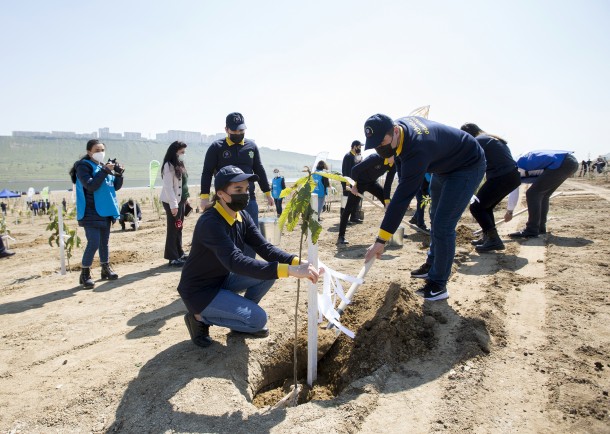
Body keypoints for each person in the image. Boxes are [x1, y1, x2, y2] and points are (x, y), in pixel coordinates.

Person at [178, 165, 322, 348]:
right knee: (259, 319)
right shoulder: (210, 223)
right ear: (221, 194)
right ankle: (199, 317)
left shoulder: (242, 216)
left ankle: (239, 318)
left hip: (221, 280)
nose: (245, 194)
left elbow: (264, 247)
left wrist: (297, 262)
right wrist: (292, 271)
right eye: (238, 189)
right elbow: (235, 261)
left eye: (246, 189)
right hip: (200, 291)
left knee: (269, 274)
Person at [363, 114, 485, 301]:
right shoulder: (399, 132)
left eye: (382, 143)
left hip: (467, 165)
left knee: (444, 225)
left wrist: (381, 240)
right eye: (375, 145)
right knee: (435, 215)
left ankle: (438, 284)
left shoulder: (418, 147)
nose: (380, 148)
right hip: (444, 165)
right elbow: (403, 171)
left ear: (395, 131)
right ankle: (432, 264)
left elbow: (404, 195)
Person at [200, 112, 274, 258]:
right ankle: (226, 268)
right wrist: (204, 197)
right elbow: (207, 172)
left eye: (241, 130)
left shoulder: (251, 147)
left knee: (250, 236)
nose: (238, 133)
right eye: (234, 130)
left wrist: (267, 193)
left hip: (248, 199)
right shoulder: (217, 147)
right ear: (226, 129)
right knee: (226, 235)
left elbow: (259, 169)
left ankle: (248, 268)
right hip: (225, 201)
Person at [69, 139, 123, 289]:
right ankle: (85, 273)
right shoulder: (83, 166)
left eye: (102, 150)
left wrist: (119, 174)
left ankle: (105, 268)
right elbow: (91, 185)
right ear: (89, 152)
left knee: (103, 243)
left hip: (106, 210)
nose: (100, 153)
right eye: (97, 150)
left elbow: (115, 187)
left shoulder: (102, 166)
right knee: (93, 242)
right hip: (90, 211)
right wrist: (105, 170)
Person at [461, 123, 521, 252]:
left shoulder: (477, 141)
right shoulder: (492, 138)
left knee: (476, 207)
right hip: (511, 177)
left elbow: (470, 163)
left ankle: (494, 240)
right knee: (485, 207)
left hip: (502, 177)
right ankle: (488, 237)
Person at [505, 150, 579, 238]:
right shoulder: (513, 163)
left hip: (562, 163)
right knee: (543, 195)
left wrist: (509, 212)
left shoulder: (512, 168)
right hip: (569, 162)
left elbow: (513, 191)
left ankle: (531, 230)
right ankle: (540, 228)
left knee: (532, 193)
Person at [337, 153, 396, 245]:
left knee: (390, 206)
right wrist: (354, 186)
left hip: (372, 183)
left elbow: (387, 185)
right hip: (359, 183)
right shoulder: (375, 158)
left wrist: (387, 201)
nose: (398, 160)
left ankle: (390, 233)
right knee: (349, 208)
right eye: (396, 157)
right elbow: (354, 170)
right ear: (390, 154)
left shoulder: (393, 166)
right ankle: (341, 236)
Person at [160, 141, 190, 267]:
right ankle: (172, 257)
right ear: (175, 151)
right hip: (171, 202)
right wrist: (173, 205)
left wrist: (186, 198)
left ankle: (179, 252)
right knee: (173, 229)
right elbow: (168, 187)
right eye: (182, 152)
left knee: (179, 227)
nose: (183, 154)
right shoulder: (168, 165)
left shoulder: (180, 164)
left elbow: (182, 184)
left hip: (181, 200)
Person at [341, 140, 364, 223]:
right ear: (354, 146)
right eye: (359, 146)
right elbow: (346, 171)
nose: (360, 148)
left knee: (355, 200)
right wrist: (347, 184)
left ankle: (353, 217)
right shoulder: (348, 156)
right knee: (346, 201)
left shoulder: (356, 156)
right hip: (348, 183)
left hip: (354, 183)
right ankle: (344, 219)